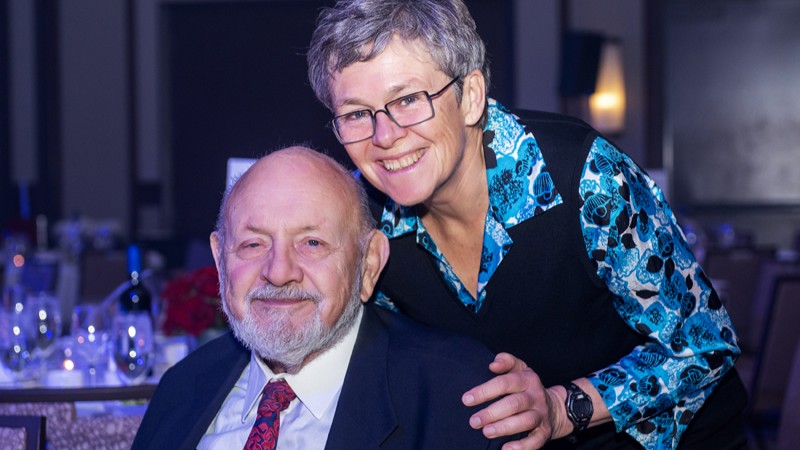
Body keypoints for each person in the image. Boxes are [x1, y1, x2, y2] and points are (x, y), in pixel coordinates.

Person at [306, 1, 748, 449]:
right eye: (358, 114)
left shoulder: (585, 177)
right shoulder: (366, 220)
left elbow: (706, 343)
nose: (384, 137)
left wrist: (560, 408)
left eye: (407, 100)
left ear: (471, 96)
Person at [131, 147, 514, 450]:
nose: (278, 272)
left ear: (368, 264)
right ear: (219, 259)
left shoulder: (461, 398)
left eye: (312, 243)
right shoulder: (181, 388)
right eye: (252, 244)